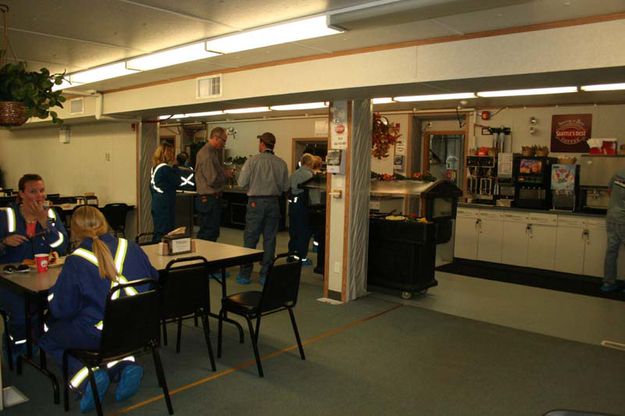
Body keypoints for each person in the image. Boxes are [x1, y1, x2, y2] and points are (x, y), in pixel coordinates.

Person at [38, 206, 159, 413]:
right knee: (105, 329)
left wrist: (52, 292)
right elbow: (153, 278)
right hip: (136, 329)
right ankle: (124, 367)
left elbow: (61, 309)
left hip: (99, 334)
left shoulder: (76, 260)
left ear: (74, 231)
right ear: (105, 223)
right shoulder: (132, 246)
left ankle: (87, 379)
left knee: (49, 336)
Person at [0, 173, 68, 358]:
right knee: (22, 312)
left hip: (44, 277)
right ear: (21, 194)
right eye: (33, 191)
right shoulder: (6, 215)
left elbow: (62, 245)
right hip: (10, 281)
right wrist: (4, 242)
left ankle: (43, 341)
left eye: (42, 191)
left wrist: (45, 223)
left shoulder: (51, 214)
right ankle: (17, 347)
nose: (39, 196)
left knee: (64, 304)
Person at [236, 132, 289, 285]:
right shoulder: (281, 163)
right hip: (274, 203)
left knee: (251, 238)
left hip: (255, 203)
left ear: (262, 144)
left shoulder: (252, 161)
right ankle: (265, 274)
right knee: (270, 239)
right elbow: (285, 186)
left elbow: (241, 183)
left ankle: (245, 274)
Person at [195, 127, 229, 241]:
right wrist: (225, 175)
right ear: (215, 138)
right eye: (223, 140)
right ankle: (205, 257)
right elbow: (212, 180)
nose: (224, 144)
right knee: (209, 232)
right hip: (208, 199)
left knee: (210, 231)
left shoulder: (212, 152)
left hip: (211, 199)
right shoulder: (207, 154)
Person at [287, 153, 317, 266]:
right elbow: (313, 194)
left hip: (293, 205)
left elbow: (287, 188)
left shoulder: (294, 174)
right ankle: (301, 258)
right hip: (303, 206)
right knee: (304, 232)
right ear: (310, 163)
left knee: (293, 230)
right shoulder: (310, 175)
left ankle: (291, 255)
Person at [150, 142, 179, 243]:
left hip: (157, 201)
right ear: (165, 153)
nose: (172, 154)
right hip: (165, 203)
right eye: (170, 152)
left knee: (158, 229)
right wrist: (175, 166)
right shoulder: (165, 168)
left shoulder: (155, 167)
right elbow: (177, 181)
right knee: (165, 231)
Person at [602, 168, 625, 293]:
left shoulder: (617, 174)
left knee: (611, 251)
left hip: (611, 216)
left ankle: (608, 283)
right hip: (623, 219)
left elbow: (609, 192)